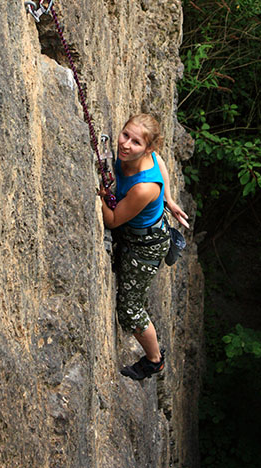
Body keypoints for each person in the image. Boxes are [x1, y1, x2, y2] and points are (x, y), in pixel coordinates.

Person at [98, 114, 188, 381]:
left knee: (130, 309)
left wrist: (100, 195)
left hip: (146, 247)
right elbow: (160, 162)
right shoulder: (148, 158)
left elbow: (113, 220)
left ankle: (154, 360)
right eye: (125, 135)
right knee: (133, 294)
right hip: (140, 234)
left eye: (136, 142)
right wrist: (169, 199)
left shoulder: (144, 187)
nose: (125, 145)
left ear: (147, 148)